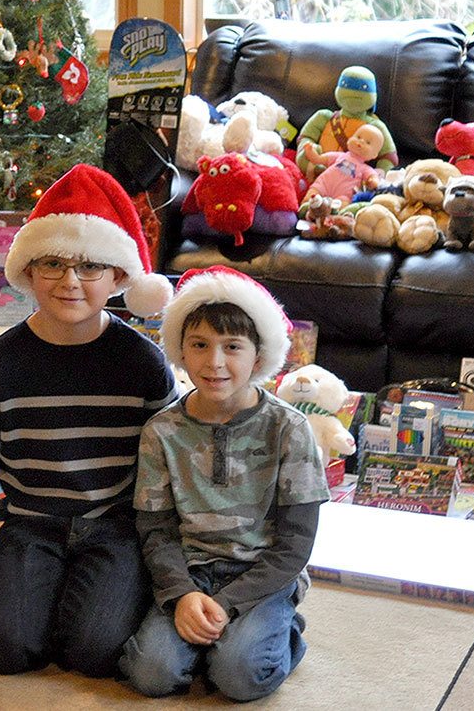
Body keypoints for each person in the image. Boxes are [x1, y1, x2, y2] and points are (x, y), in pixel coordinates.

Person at [0, 163, 176, 677]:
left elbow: (176, 469)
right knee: (2, 649)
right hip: (31, 528)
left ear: (118, 276)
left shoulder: (143, 362)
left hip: (114, 530)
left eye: (90, 267)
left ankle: (88, 598)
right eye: (52, 264)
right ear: (27, 271)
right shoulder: (1, 361)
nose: (70, 281)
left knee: (95, 653)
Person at [121, 265, 330, 702]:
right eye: (199, 345)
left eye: (232, 347)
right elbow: (155, 529)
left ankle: (283, 634)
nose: (214, 362)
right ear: (181, 350)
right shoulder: (161, 431)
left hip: (261, 577)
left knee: (239, 677)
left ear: (258, 356)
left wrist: (230, 603)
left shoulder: (289, 429)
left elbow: (295, 543)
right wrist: (180, 595)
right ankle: (210, 639)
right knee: (151, 675)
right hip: (189, 573)